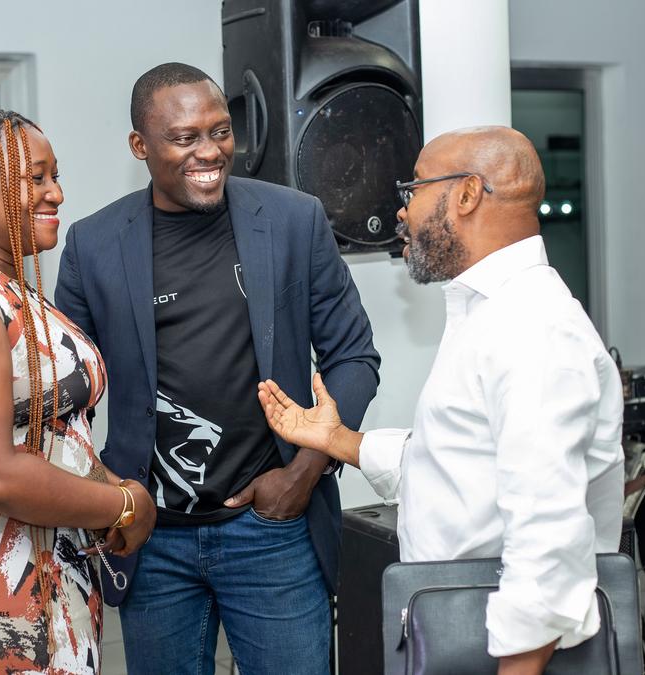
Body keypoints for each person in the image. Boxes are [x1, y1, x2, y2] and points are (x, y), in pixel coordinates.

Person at [257, 126, 625, 675]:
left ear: (467, 194)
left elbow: (547, 539)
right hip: (464, 633)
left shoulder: (532, 328)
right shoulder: (491, 315)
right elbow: (457, 469)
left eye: (414, 188)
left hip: (506, 652)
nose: (402, 211)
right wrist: (336, 439)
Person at [55, 63, 380, 674]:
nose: (209, 152)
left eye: (221, 131)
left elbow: (354, 356)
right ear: (140, 146)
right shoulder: (93, 244)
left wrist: (305, 471)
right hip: (151, 538)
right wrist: (106, 493)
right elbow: (66, 395)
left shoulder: (293, 220)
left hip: (273, 527)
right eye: (185, 138)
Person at [0, 107, 156, 674]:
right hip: (1, 578)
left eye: (55, 176)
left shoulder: (2, 286)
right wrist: (123, 504)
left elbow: (53, 435)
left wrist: (115, 491)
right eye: (34, 178)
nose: (56, 193)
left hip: (47, 558)